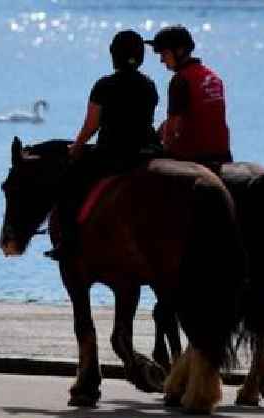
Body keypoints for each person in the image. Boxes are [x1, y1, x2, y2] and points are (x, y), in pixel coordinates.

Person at [45, 30, 159, 260]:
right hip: (147, 152)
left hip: (113, 154)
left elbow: (91, 125)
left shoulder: (104, 85)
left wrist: (76, 147)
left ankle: (67, 242)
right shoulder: (149, 85)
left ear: (114, 55)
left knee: (69, 186)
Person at [145, 25, 232, 168]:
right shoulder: (213, 77)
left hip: (195, 155)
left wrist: (160, 149)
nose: (161, 60)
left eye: (164, 54)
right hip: (223, 154)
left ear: (179, 51)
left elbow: (172, 131)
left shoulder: (180, 80)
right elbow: (199, 116)